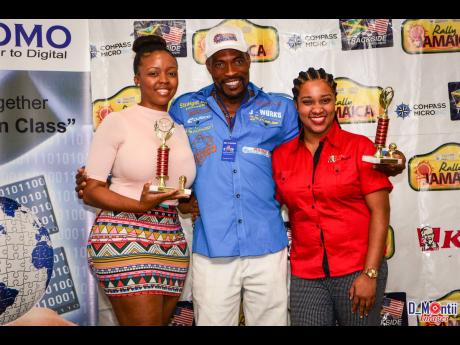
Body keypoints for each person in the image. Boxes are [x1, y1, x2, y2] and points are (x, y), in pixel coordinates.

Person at [76, 23, 406, 326]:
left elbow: (319, 141)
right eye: (220, 63)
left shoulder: (281, 109)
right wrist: (180, 198)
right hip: (212, 247)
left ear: (249, 61)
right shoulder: (182, 109)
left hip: (268, 246)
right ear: (208, 67)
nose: (230, 71)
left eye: (237, 60)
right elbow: (167, 162)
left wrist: (378, 157)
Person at [82, 35, 196, 326]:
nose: (164, 80)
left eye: (171, 73)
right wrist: (139, 204)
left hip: (171, 240)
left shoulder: (179, 128)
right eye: (153, 73)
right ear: (137, 78)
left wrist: (187, 202)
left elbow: (177, 194)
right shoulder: (117, 121)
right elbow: (92, 190)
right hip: (124, 235)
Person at [272, 67, 393, 326]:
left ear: (335, 102)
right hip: (307, 274)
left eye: (324, 100)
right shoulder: (281, 156)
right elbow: (266, 201)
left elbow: (380, 213)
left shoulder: (360, 147)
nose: (317, 109)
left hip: (357, 270)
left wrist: (370, 274)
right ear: (297, 106)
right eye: (308, 102)